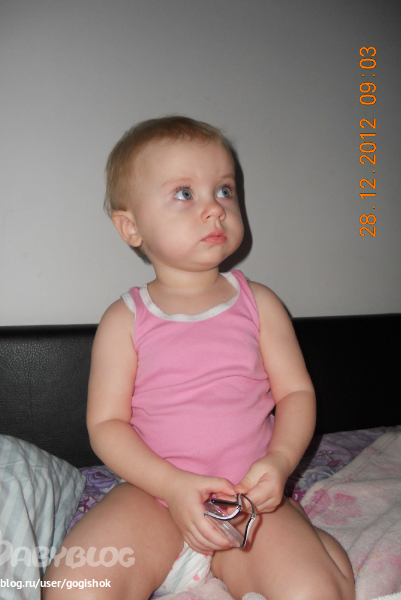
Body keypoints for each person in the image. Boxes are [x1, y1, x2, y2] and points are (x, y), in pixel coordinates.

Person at [44, 116, 355, 600]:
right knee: (72, 587)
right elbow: (106, 425)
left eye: (224, 191)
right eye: (185, 193)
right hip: (153, 499)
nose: (214, 208)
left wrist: (279, 460)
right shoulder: (124, 320)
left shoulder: (260, 304)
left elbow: (296, 392)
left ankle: (308, 546)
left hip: (248, 501)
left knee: (312, 592)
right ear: (131, 227)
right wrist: (171, 486)